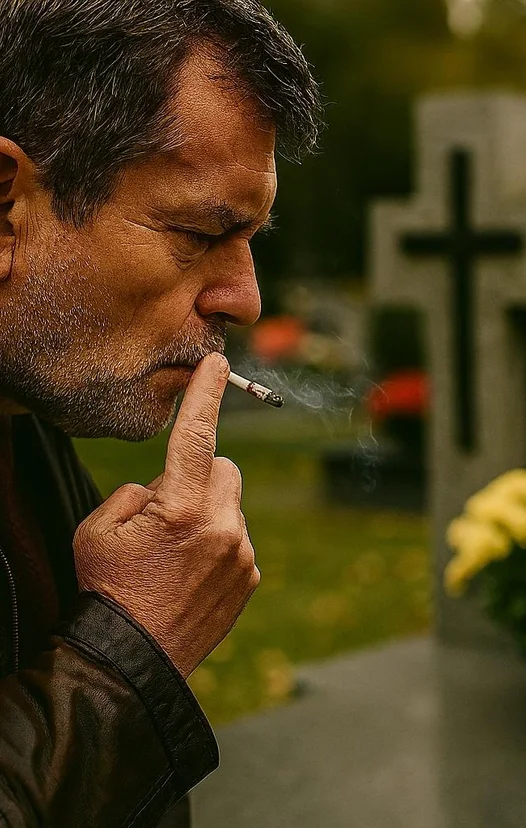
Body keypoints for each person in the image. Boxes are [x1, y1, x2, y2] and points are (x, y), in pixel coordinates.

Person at [0, 1, 323, 825]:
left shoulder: (24, 416)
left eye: (248, 240)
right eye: (198, 233)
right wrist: (132, 643)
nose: (244, 300)